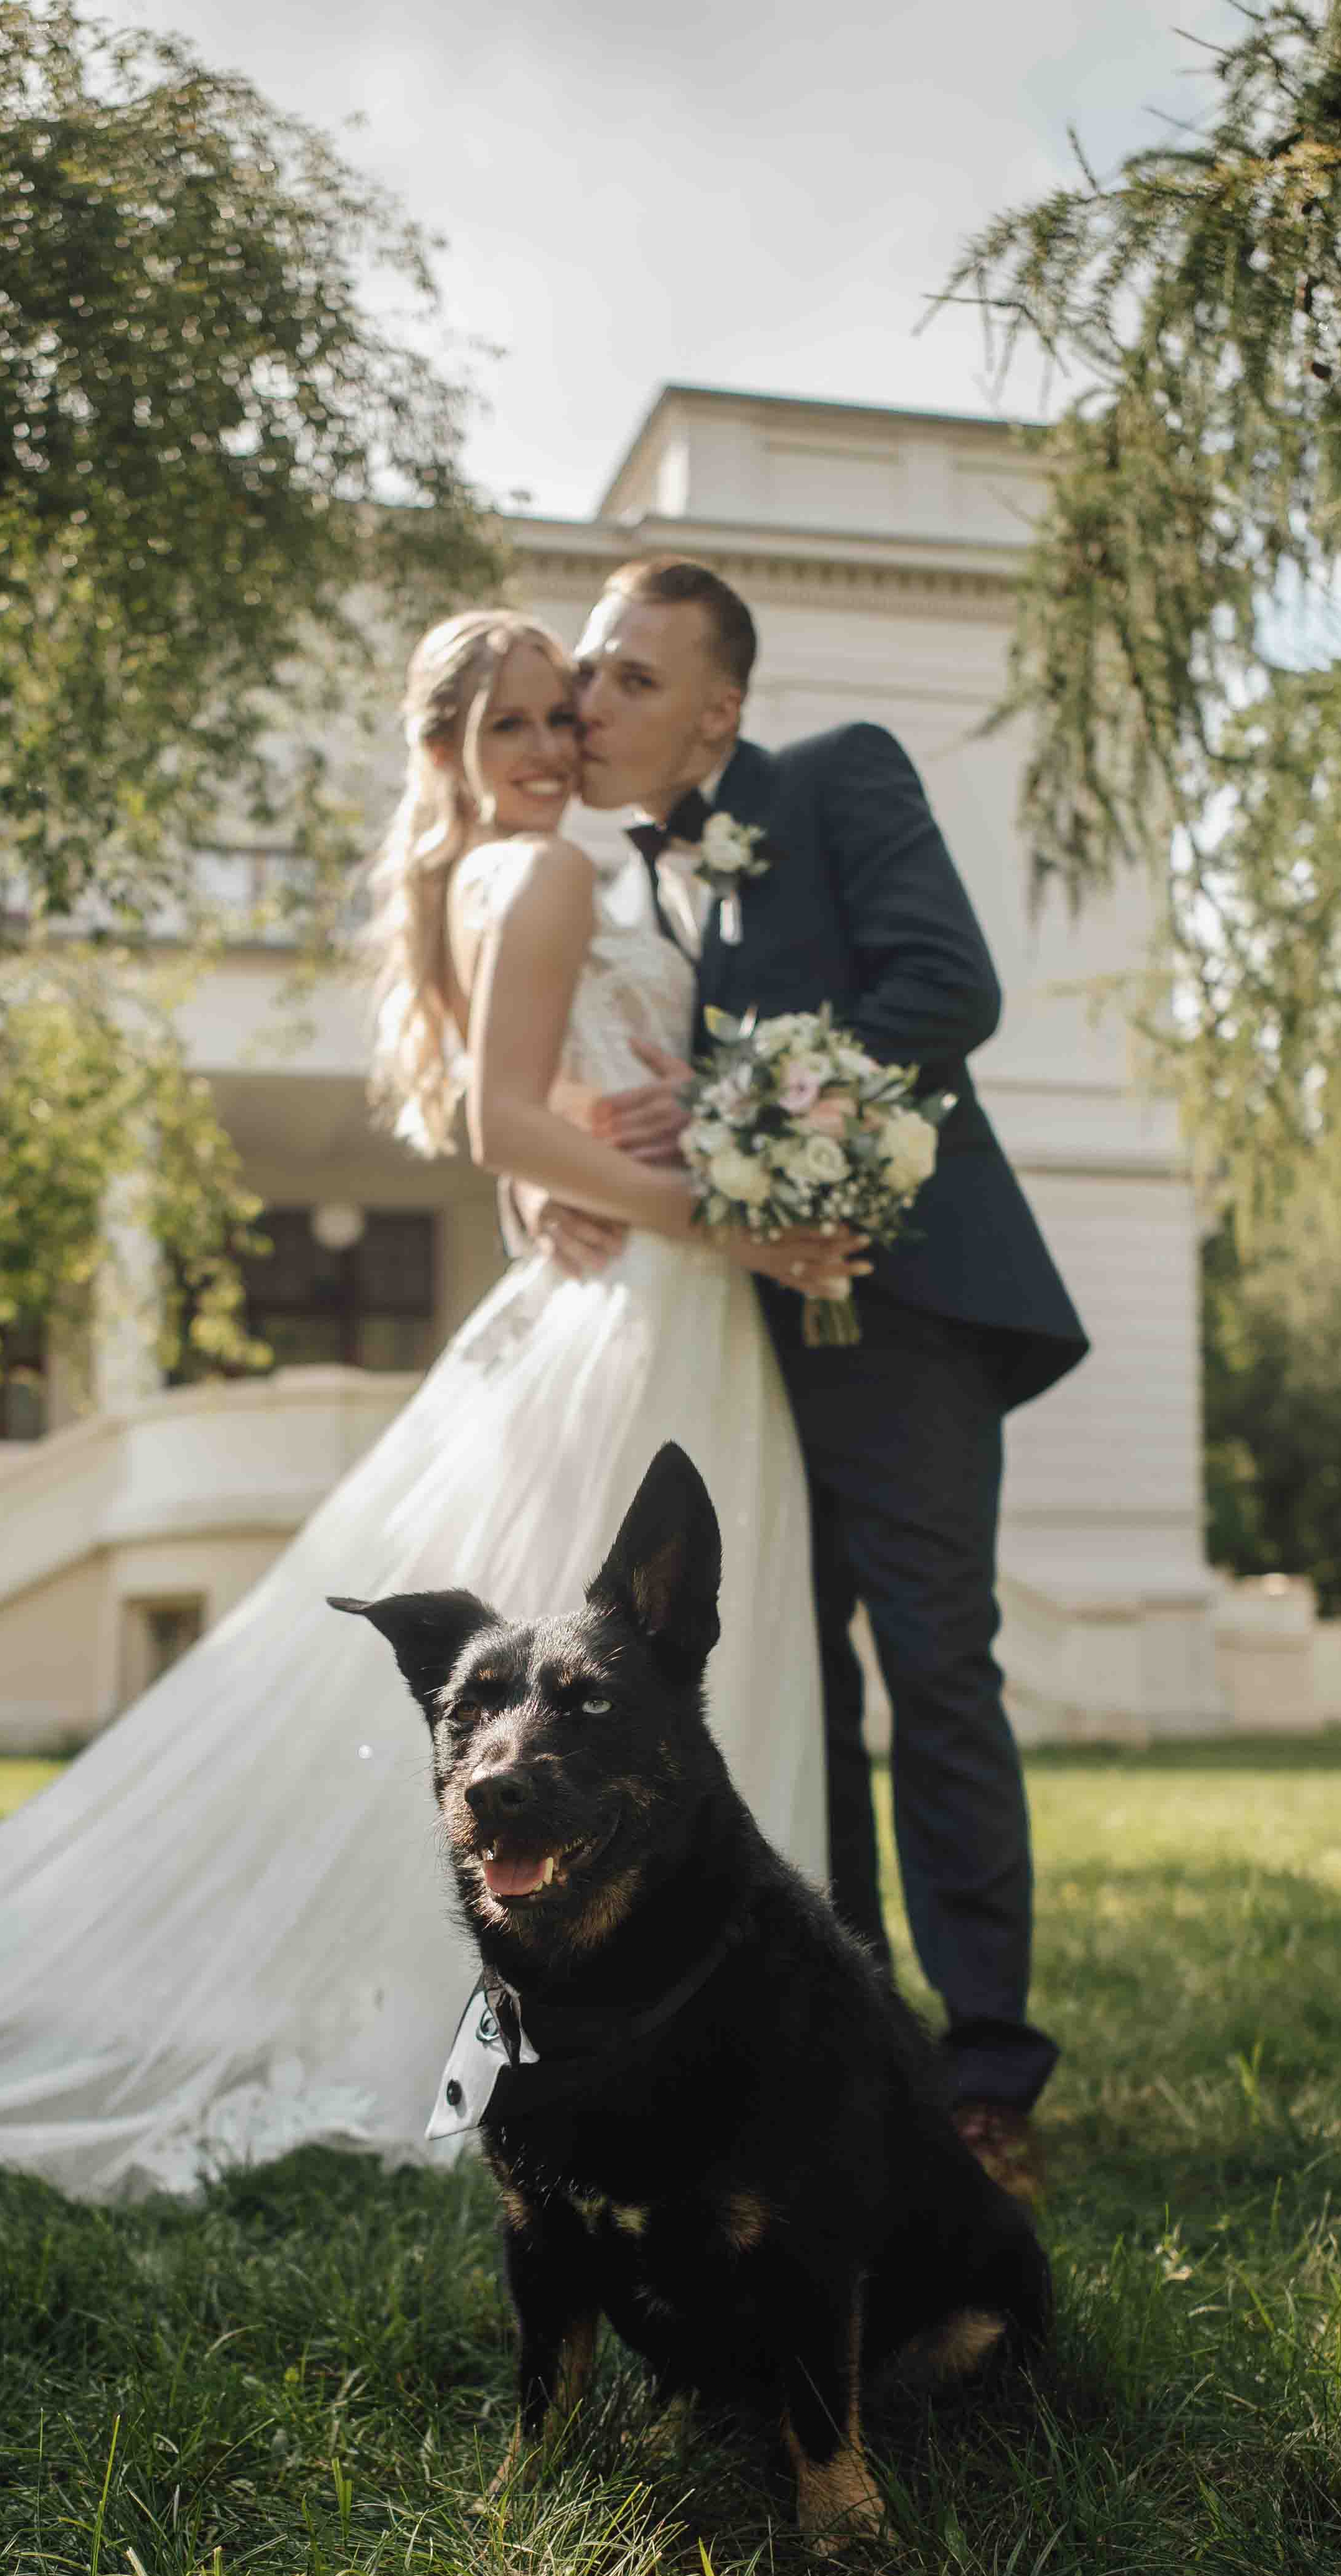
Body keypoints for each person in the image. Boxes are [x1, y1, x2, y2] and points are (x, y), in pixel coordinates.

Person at [0, 614, 855, 2205]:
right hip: (656, 1302)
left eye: (561, 718)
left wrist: (647, 1163)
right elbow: (501, 1118)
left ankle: (610, 2021)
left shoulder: (496, 876)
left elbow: (522, 1131)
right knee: (641, 1683)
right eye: (511, 726)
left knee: (593, 1680)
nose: (547, 750)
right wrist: (720, 1211)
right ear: (447, 748)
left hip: (629, 1294)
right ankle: (655, 2033)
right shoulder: (535, 874)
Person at [520, 557, 1088, 2201]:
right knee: (792, 1688)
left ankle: (988, 2072)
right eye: (583, 679)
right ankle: (861, 2031)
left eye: (628, 676)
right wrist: (540, 1172)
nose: (590, 703)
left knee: (938, 1669)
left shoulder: (838, 775)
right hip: (732, 1331)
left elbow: (943, 993)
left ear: (720, 704)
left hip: (900, 1303)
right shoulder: (617, 886)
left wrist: (744, 1131)